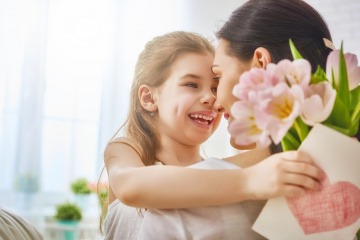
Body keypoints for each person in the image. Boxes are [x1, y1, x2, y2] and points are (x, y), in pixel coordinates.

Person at [137, 0, 338, 239]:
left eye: (218, 78)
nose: (216, 104)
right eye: (192, 85)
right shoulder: (345, 173)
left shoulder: (182, 201)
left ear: (260, 64)